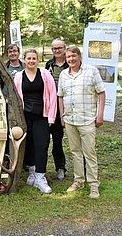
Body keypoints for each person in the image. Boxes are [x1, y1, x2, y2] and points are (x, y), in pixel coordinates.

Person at [58, 46, 105, 199]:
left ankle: (93, 185)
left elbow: (101, 93)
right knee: (75, 152)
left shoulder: (91, 71)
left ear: (79, 56)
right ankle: (78, 180)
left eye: (73, 56)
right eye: (68, 57)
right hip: (70, 119)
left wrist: (100, 115)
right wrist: (62, 116)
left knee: (89, 153)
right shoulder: (64, 74)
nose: (71, 59)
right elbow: (60, 96)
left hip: (87, 120)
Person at [14, 49, 57, 194]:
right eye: (28, 58)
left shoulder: (45, 75)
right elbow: (16, 98)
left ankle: (40, 176)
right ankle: (32, 171)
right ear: (24, 60)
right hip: (25, 117)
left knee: (41, 145)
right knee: (29, 145)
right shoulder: (18, 76)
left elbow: (52, 96)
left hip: (42, 116)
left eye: (34, 58)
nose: (31, 61)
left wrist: (51, 117)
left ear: (37, 60)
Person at [45, 39, 68, 181]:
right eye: (54, 48)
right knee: (43, 139)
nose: (57, 50)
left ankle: (60, 168)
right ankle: (36, 168)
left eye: (59, 48)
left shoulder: (70, 63)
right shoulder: (48, 64)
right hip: (50, 106)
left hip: (65, 105)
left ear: (64, 48)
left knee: (58, 140)